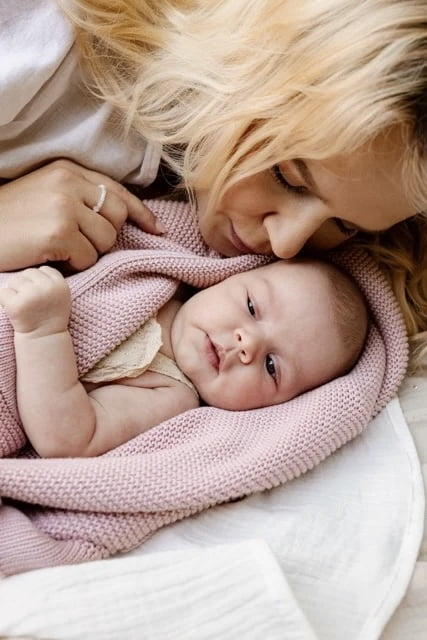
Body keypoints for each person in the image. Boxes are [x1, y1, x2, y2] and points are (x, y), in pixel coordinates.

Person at [0, 2, 425, 349]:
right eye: (287, 178)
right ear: (248, 63)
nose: (286, 244)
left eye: (345, 225)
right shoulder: (41, 44)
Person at [0, 258, 367, 457]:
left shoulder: (170, 392)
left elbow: (68, 438)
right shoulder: (156, 273)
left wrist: (43, 332)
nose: (247, 343)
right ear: (230, 274)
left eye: (272, 366)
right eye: (252, 306)